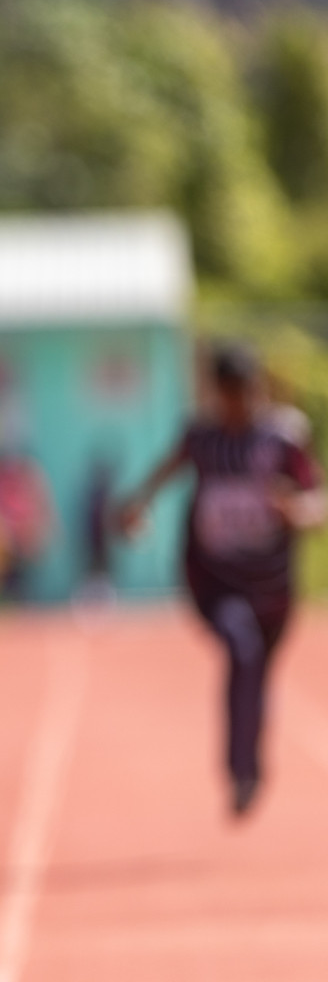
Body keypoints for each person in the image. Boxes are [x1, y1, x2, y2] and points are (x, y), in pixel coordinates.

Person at [117, 344, 325, 817]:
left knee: (255, 671)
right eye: (227, 397)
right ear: (215, 395)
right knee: (241, 648)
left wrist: (299, 510)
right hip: (215, 580)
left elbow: (317, 500)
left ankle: (250, 745)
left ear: (258, 390)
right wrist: (137, 503)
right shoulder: (202, 438)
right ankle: (242, 769)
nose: (237, 407)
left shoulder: (284, 438)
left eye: (244, 395)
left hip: (273, 588)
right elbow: (167, 469)